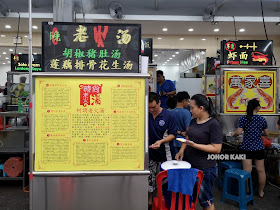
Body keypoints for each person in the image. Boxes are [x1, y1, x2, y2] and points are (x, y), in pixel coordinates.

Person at [176, 94, 222, 210]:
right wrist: (181, 150)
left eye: (192, 108)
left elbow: (216, 149)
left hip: (205, 168)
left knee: (206, 200)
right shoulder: (193, 122)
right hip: (189, 165)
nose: (190, 110)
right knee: (190, 196)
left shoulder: (213, 124)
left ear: (201, 108)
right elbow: (187, 138)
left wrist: (195, 145)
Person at [232, 99, 269, 198]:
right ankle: (261, 192)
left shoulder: (244, 118)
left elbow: (238, 133)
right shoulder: (262, 119)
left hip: (246, 148)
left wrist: (233, 134)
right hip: (259, 148)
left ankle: (247, 191)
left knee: (247, 171)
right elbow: (267, 133)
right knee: (261, 170)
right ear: (257, 107)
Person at [148, 92, 177, 207]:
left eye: (153, 107)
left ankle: (162, 203)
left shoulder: (169, 116)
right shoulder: (146, 114)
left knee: (163, 180)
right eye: (149, 107)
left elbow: (173, 134)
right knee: (149, 180)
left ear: (159, 102)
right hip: (149, 154)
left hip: (165, 154)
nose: (151, 110)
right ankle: (149, 202)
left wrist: (160, 142)